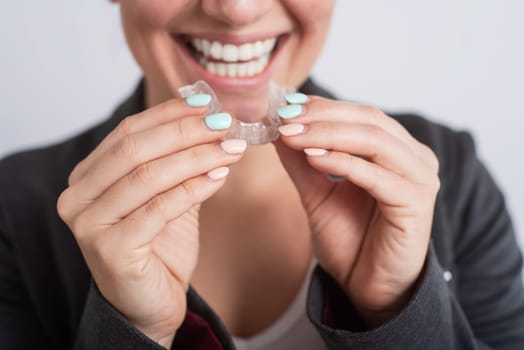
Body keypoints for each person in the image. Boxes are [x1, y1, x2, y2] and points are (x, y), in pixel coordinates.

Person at [1, 0, 523, 349]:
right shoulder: (13, 207)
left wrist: (398, 306)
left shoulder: (446, 171)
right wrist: (132, 330)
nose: (236, 9)